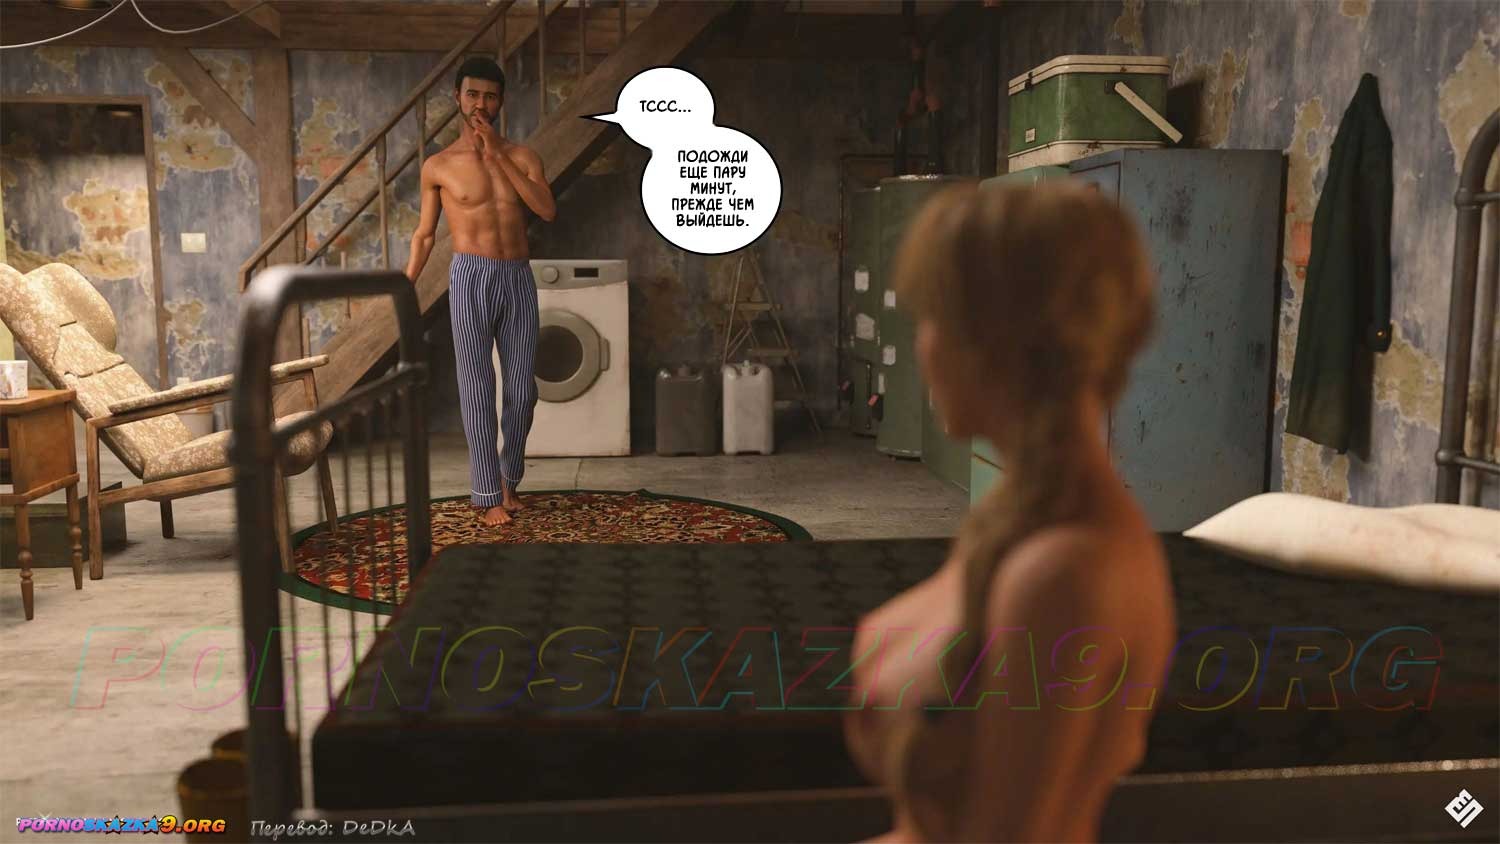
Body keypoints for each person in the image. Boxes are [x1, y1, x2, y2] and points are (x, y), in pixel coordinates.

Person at [843, 181, 1178, 842]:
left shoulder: (1064, 569)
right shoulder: (1023, 514)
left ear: (995, 341)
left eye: (933, 317)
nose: (922, 345)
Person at [406, 57, 556, 527]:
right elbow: (425, 235)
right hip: (471, 276)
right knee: (477, 387)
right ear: (458, 97)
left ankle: (510, 479)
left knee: (522, 390)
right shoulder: (438, 166)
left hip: (518, 276)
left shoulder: (523, 157)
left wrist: (496, 154)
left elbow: (546, 209)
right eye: (472, 94)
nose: (481, 104)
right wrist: (405, 284)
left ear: (501, 102)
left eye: (490, 96)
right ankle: (488, 495)